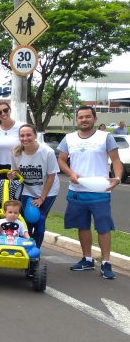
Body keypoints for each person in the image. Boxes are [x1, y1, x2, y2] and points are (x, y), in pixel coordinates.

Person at [57, 105, 123, 279]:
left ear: (94, 119)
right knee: (82, 226)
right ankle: (87, 259)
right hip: (77, 191)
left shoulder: (105, 137)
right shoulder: (69, 138)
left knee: (103, 227)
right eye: (80, 117)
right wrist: (70, 173)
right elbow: (61, 160)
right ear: (77, 119)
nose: (84, 120)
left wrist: (117, 178)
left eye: (87, 116)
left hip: (100, 190)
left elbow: (116, 160)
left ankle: (106, 263)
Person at [10, 124, 59, 247]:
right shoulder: (16, 152)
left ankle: (35, 251)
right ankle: (25, 247)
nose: (25, 138)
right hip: (27, 190)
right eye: (22, 135)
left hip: (48, 191)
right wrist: (13, 174)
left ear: (35, 135)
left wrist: (42, 198)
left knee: (39, 220)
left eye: (28, 135)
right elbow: (16, 171)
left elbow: (51, 176)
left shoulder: (47, 152)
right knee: (27, 220)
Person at [0, 102, 24, 171]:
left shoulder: (21, 126)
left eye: (5, 110)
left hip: (18, 166)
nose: (3, 113)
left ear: (10, 110)